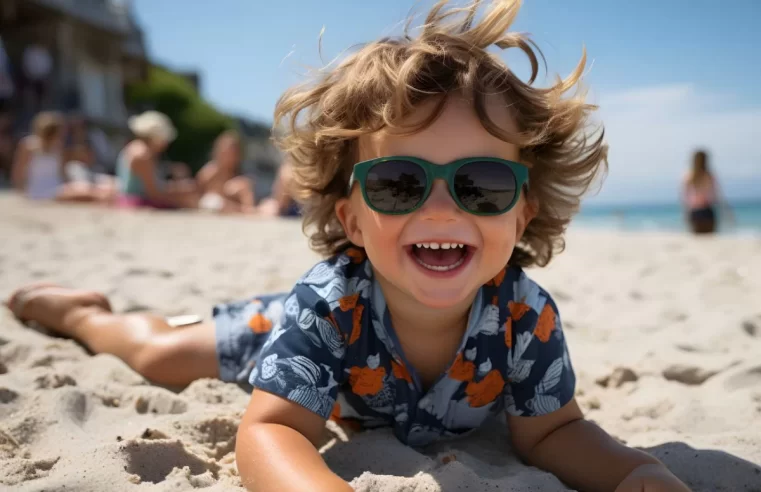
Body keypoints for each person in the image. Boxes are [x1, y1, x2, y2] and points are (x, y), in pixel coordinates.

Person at [5, 2, 690, 491]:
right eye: (399, 183)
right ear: (354, 220)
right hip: (283, 333)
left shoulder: (525, 316)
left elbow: (549, 432)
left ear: (521, 215)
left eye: (481, 184)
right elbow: (272, 431)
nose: (442, 206)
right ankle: (84, 315)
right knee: (158, 354)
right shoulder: (325, 304)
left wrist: (635, 471)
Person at [116, 110, 200, 209]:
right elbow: (153, 193)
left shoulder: (134, 148)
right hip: (137, 203)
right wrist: (181, 192)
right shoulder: (143, 155)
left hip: (130, 201)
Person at [196, 131, 256, 213]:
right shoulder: (209, 172)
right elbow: (199, 195)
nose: (228, 157)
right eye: (225, 153)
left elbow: (248, 205)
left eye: (232, 153)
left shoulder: (241, 179)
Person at [681, 150, 731, 235]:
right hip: (707, 210)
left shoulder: (689, 176)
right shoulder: (709, 175)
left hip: (695, 212)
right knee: (709, 239)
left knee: (698, 241)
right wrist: (726, 210)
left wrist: (686, 213)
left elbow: (685, 198)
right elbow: (716, 196)